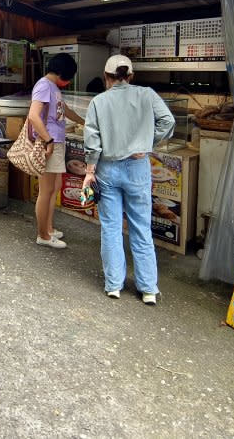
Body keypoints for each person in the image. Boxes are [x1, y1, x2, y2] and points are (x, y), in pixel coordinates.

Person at [82, 55, 175, 303]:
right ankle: (148, 289)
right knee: (141, 228)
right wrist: (148, 141)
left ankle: (113, 285)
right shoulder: (147, 94)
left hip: (107, 168)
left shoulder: (99, 101)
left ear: (106, 76)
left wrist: (90, 172)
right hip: (137, 167)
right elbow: (169, 120)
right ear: (131, 76)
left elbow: (92, 140)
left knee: (111, 228)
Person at [27, 53, 83, 249]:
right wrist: (48, 140)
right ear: (63, 73)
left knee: (53, 188)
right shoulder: (44, 85)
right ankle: (43, 234)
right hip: (50, 144)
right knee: (46, 191)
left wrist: (85, 122)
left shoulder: (53, 88)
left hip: (56, 143)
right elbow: (34, 116)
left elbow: (64, 110)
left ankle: (48, 228)